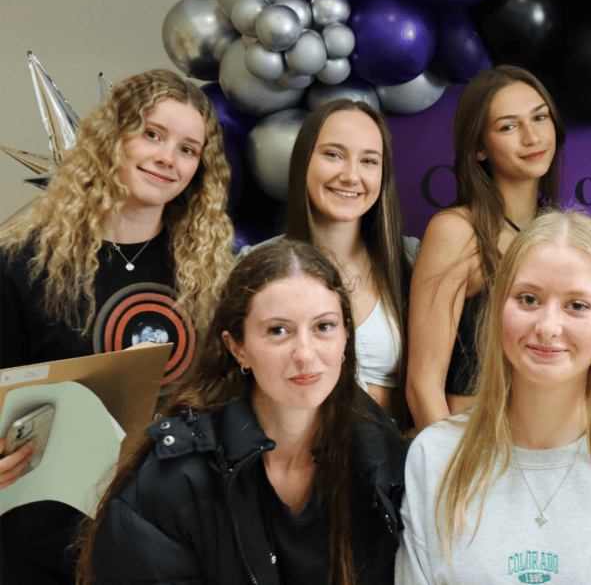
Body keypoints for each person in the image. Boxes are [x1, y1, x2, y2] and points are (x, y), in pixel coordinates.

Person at [0, 69, 234, 584]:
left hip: (171, 542)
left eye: (188, 149)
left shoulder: (213, 275)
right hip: (43, 544)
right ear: (111, 139)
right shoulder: (23, 263)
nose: (167, 159)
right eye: (152, 134)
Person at [396, 211, 591, 584]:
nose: (548, 327)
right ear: (499, 309)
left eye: (577, 306)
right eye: (528, 299)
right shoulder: (435, 456)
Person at [74, 239, 408, 585]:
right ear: (238, 349)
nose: (306, 355)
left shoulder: (379, 450)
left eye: (324, 326)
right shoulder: (176, 477)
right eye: (278, 331)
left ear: (346, 338)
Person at [405, 66, 565, 430]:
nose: (532, 136)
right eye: (508, 126)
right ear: (479, 147)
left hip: (549, 447)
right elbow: (422, 385)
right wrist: (450, 476)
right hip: (474, 443)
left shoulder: (561, 230)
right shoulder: (457, 231)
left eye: (540, 117)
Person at [279, 99, 416, 421]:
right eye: (333, 155)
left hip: (393, 455)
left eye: (369, 161)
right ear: (304, 161)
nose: (351, 176)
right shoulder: (260, 265)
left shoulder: (413, 260)